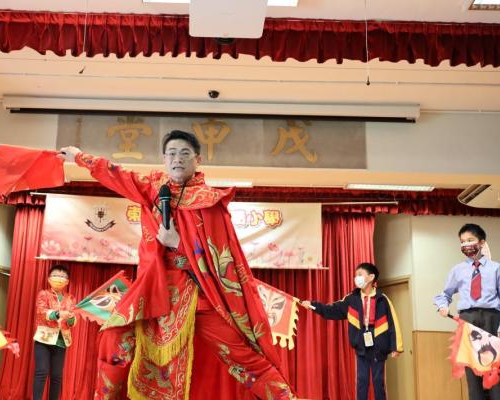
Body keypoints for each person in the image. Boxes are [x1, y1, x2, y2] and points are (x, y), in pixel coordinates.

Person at [60, 130, 297, 400]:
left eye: (185, 153)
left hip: (199, 295)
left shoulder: (209, 202)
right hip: (153, 291)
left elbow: (220, 261)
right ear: (164, 159)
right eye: (171, 153)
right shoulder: (153, 189)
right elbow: (118, 175)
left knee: (241, 356)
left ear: (198, 159)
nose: (177, 159)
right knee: (114, 339)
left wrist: (177, 244)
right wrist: (80, 158)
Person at [301, 262, 402, 400]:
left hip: (379, 346)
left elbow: (393, 323)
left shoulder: (383, 299)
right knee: (361, 382)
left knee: (379, 383)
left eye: (360, 274)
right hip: (361, 346)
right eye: (356, 275)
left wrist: (396, 346)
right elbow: (332, 310)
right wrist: (313, 306)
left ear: (371, 277)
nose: (356, 278)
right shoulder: (351, 299)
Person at [434, 223, 500, 400]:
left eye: (470, 240)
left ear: (482, 242)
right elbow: (444, 294)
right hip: (467, 320)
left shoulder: (496, 268)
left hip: (492, 318)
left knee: (495, 369)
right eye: (462, 242)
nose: (466, 245)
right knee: (472, 371)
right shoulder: (458, 270)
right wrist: (442, 306)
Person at [33, 264, 77, 400]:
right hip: (43, 339)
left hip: (61, 340)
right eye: (55, 276)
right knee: (41, 372)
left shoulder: (70, 298)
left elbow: (72, 322)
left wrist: (70, 318)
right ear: (49, 279)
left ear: (67, 281)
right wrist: (58, 314)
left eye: (62, 276)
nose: (59, 279)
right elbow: (41, 312)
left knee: (57, 376)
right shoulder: (43, 294)